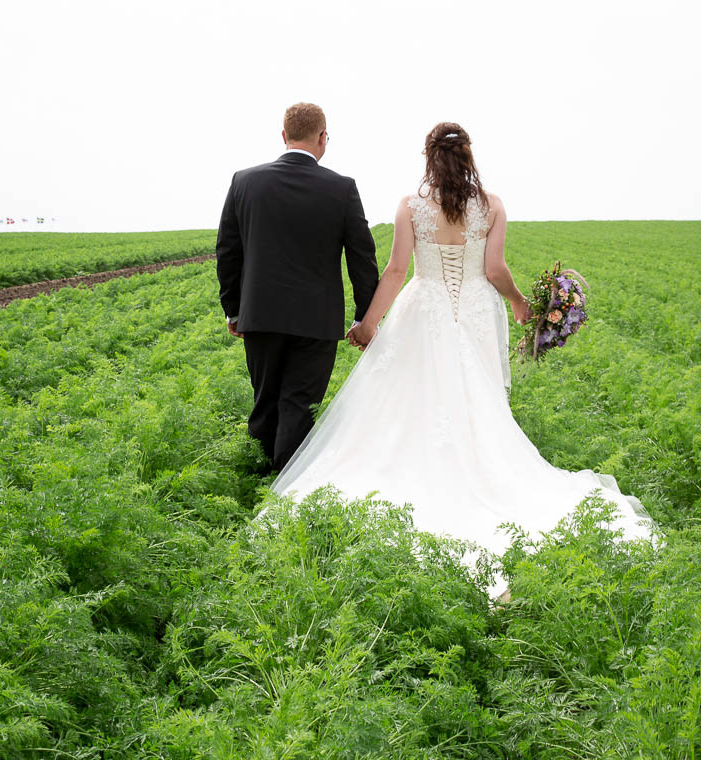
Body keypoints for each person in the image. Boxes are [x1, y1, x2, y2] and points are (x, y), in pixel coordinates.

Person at [270, 121, 659, 599]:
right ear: (468, 156)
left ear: (428, 158)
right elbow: (494, 270)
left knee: (412, 396)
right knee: (476, 396)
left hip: (424, 305)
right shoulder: (492, 206)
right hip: (476, 309)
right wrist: (520, 303)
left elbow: (395, 271)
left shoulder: (410, 207)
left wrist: (369, 324)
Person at [216, 103, 380, 473]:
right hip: (316, 321)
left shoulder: (244, 181)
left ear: (283, 135)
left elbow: (228, 251)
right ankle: (283, 497)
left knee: (265, 402)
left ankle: (257, 487)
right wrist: (364, 317)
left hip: (260, 316)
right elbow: (361, 257)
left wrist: (235, 309)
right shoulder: (341, 188)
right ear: (323, 138)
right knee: (299, 406)